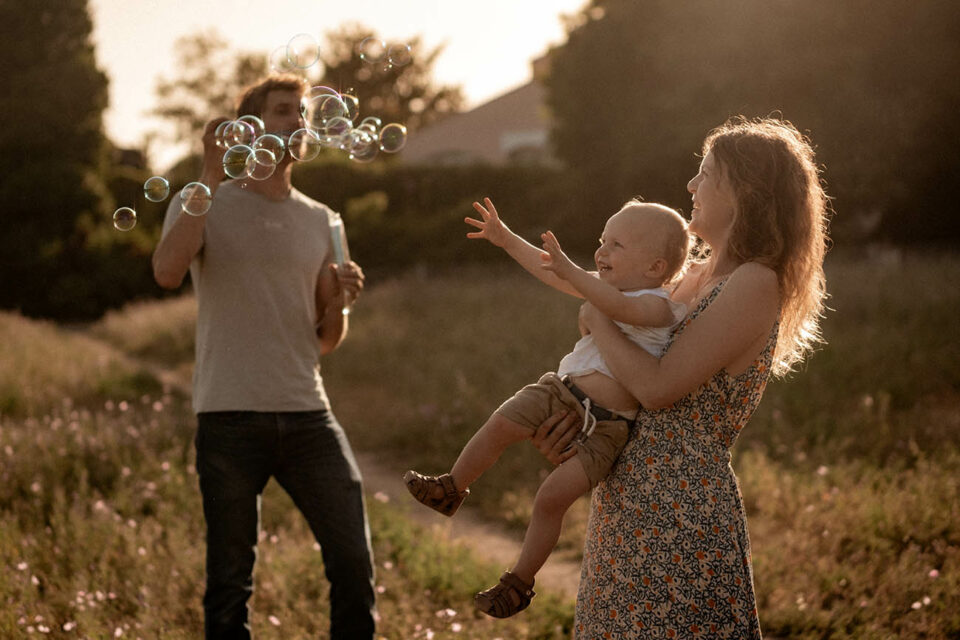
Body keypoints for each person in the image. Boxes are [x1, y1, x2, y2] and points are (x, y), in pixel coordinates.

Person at [527, 116, 829, 637]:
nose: (691, 186)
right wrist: (582, 428)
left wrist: (599, 322)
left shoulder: (753, 282)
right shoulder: (690, 276)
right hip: (627, 498)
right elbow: (630, 388)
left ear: (742, 191)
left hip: (679, 512)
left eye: (705, 174)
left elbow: (658, 387)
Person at [152, 74, 376, 639]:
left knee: (353, 563)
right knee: (230, 581)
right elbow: (166, 272)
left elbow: (324, 339)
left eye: (301, 112)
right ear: (248, 125)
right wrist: (209, 171)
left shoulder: (323, 219)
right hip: (228, 415)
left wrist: (341, 305)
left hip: (307, 414)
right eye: (282, 110)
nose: (297, 121)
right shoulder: (202, 200)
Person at [403, 198, 690, 618]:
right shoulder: (604, 288)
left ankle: (518, 583)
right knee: (499, 424)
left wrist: (573, 272)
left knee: (550, 499)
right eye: (602, 241)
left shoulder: (658, 305)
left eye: (617, 245)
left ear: (655, 268)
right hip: (560, 391)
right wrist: (506, 239)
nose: (601, 252)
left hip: (607, 428)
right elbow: (548, 269)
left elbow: (618, 309)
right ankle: (452, 487)